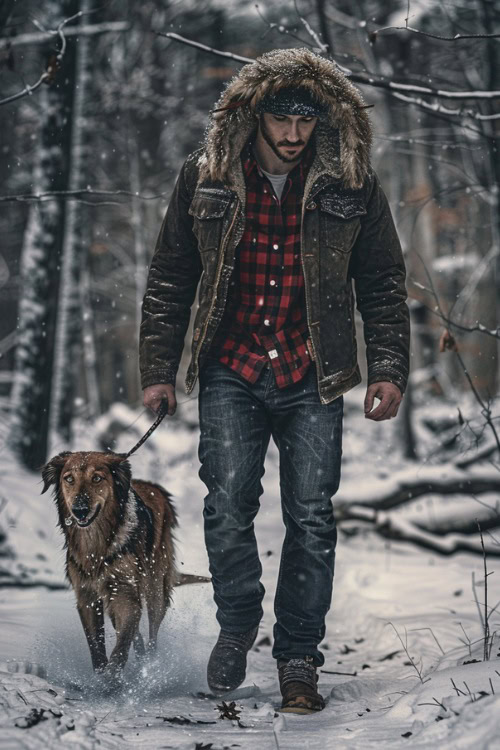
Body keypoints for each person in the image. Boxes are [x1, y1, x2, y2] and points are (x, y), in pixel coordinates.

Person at [140, 48, 410, 713]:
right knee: (228, 501)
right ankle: (238, 625)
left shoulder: (352, 184)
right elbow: (170, 280)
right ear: (253, 116)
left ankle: (298, 656)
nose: (293, 136)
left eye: (305, 122)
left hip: (311, 373)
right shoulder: (204, 179)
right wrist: (158, 371)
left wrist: (388, 369)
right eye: (280, 121)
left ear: (324, 119)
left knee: (312, 517)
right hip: (230, 365)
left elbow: (381, 284)